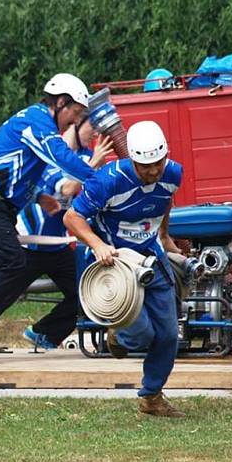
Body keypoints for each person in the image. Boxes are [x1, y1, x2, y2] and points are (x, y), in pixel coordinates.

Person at [0, 73, 98, 359]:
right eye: (75, 112)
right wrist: (102, 179)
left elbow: (16, 169)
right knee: (12, 264)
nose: (74, 120)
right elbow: (61, 157)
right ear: (60, 102)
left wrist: (38, 197)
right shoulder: (36, 120)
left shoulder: (36, 123)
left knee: (0, 271)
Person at [63, 120, 186, 418]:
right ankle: (118, 335)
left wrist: (164, 235)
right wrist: (97, 245)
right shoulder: (107, 181)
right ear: (131, 159)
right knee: (143, 335)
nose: (153, 171)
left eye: (157, 163)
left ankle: (152, 397)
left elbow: (165, 201)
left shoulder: (173, 173)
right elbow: (72, 218)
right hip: (115, 264)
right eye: (145, 166)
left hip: (151, 258)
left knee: (169, 334)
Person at [20, 117, 114, 350]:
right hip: (29, 244)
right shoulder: (48, 154)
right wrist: (95, 163)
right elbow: (68, 188)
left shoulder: (83, 158)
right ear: (75, 124)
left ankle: (43, 334)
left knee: (85, 293)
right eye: (91, 126)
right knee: (0, 293)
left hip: (57, 246)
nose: (95, 133)